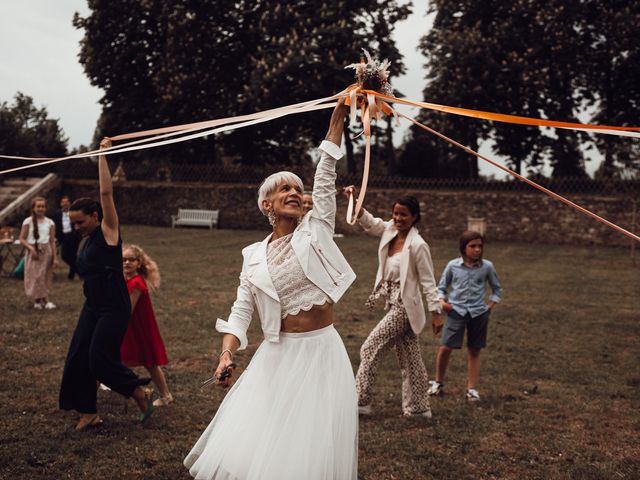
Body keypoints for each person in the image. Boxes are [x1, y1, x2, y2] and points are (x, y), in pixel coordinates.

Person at [184, 99, 358, 480]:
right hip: (277, 356)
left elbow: (325, 173)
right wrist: (226, 354)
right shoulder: (252, 256)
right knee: (267, 440)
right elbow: (241, 313)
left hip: (321, 353)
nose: (295, 192)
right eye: (284, 189)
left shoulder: (317, 230)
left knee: (308, 444)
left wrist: (338, 119)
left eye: (297, 187)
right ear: (267, 204)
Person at [59, 138, 154, 431]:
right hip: (93, 305)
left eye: (80, 222)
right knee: (77, 356)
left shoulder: (109, 232)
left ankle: (138, 391)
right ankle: (88, 412)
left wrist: (103, 155)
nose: (76, 228)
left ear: (95, 217)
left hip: (114, 306)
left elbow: (105, 192)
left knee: (98, 359)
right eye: (73, 224)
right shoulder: (86, 243)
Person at [345, 189, 443, 417]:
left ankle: (360, 402)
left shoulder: (418, 245)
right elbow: (369, 223)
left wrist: (436, 312)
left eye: (404, 215)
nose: (398, 219)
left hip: (405, 308)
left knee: (370, 347)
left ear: (415, 217)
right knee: (410, 357)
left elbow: (428, 282)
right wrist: (353, 198)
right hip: (391, 303)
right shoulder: (390, 229)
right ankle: (418, 409)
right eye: (396, 214)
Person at [427, 230, 502, 402]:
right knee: (445, 347)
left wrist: (489, 306)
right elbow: (441, 287)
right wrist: (442, 302)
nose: (477, 250)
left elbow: (497, 289)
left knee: (474, 350)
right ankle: (438, 383)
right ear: (463, 248)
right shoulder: (453, 266)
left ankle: (472, 389)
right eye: (472, 246)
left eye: (480, 246)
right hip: (455, 312)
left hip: (478, 313)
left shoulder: (487, 267)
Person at [120, 244, 173, 407]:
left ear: (139, 263)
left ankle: (165, 396)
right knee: (116, 357)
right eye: (123, 259)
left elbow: (128, 309)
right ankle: (110, 380)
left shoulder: (137, 283)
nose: (127, 263)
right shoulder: (125, 279)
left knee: (150, 363)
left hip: (140, 329)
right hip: (132, 328)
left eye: (131, 260)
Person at [19, 196, 57, 309]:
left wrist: (54, 257)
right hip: (34, 251)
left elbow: (52, 241)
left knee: (45, 275)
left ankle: (44, 300)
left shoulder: (50, 222)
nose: (41, 208)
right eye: (38, 206)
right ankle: (39, 300)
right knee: (36, 276)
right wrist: (31, 249)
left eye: (43, 206)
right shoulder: (28, 221)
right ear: (33, 208)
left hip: (47, 251)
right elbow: (22, 238)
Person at [53, 195, 81, 280]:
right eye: (63, 202)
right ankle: (80, 271)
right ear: (60, 204)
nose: (65, 204)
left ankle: (71, 275)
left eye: (66, 202)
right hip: (63, 236)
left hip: (74, 236)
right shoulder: (58, 214)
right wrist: (56, 237)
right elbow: (56, 227)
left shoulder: (74, 213)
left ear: (69, 203)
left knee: (72, 255)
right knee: (64, 255)